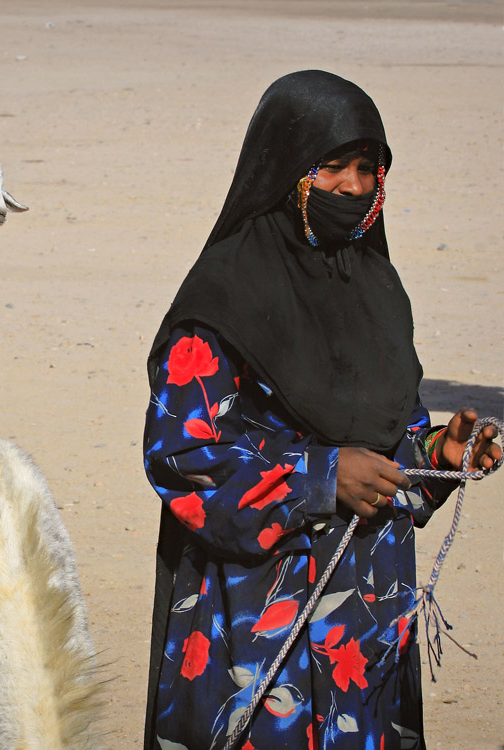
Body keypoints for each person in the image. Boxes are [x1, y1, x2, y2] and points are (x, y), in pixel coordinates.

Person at [142, 70, 501, 750]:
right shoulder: (223, 298)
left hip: (366, 616)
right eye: (330, 165)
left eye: (368, 168)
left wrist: (436, 456)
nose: (353, 186)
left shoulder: (378, 290)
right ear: (285, 168)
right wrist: (318, 477)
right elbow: (182, 459)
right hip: (257, 615)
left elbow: (388, 439)